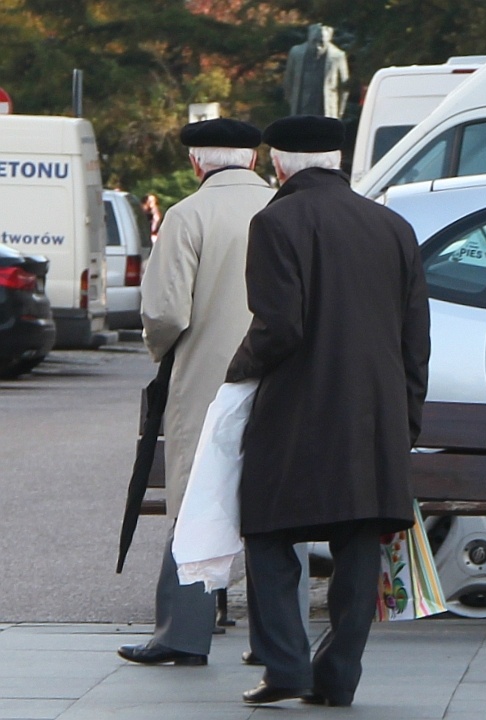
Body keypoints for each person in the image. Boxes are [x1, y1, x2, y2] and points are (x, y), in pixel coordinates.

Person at [229, 115, 430, 707]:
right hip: (376, 415)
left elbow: (279, 326)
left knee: (267, 532)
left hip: (297, 411)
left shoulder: (275, 221)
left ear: (278, 163)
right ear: (339, 160)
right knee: (358, 541)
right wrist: (406, 418)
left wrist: (236, 370)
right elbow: (414, 337)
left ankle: (286, 665)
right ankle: (338, 675)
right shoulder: (392, 225)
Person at [117, 119, 274, 667]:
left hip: (209, 381)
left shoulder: (187, 217)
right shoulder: (286, 210)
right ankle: (280, 639)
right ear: (255, 160)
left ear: (195, 164)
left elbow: (163, 313)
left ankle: (182, 634)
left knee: (195, 500)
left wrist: (165, 351)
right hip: (284, 380)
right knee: (282, 501)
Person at [283, 24, 349, 118]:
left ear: (328, 41)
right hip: (301, 111)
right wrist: (293, 102)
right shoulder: (296, 53)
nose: (318, 46)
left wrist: (339, 112)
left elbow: (344, 88)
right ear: (309, 39)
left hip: (326, 112)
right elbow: (288, 82)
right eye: (314, 41)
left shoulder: (338, 56)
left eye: (322, 43)